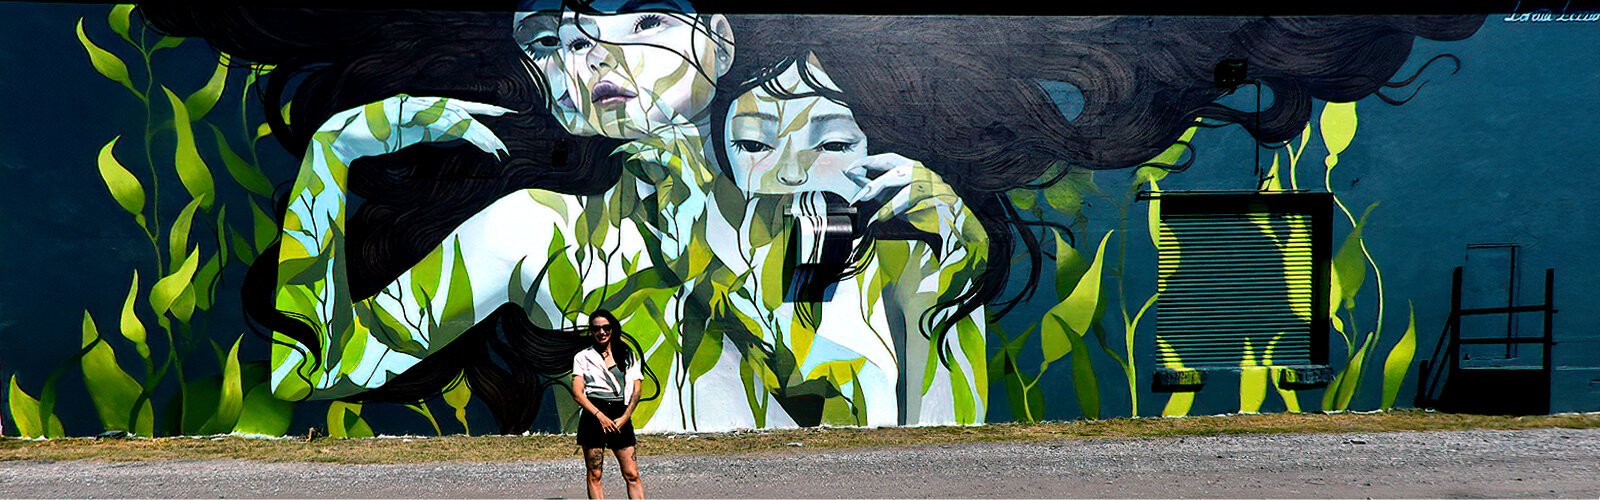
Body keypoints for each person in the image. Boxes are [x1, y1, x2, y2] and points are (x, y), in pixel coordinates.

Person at [571, 310, 645, 499]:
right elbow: (578, 393)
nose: (601, 332)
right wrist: (600, 417)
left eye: (606, 327)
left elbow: (637, 389)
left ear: (612, 328)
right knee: (595, 474)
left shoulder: (627, 354)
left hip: (621, 412)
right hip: (594, 412)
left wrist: (625, 417)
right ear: (592, 331)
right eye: (596, 328)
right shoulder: (582, 357)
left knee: (632, 474)